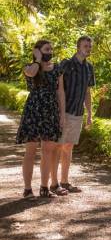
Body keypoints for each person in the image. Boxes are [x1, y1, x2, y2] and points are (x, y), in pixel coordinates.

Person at [15, 40, 67, 199]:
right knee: (30, 151)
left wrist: (62, 115)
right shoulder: (30, 67)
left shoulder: (57, 68)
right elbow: (31, 74)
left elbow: (60, 93)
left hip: (51, 112)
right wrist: (37, 60)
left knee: (48, 151)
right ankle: (27, 189)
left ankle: (45, 188)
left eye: (51, 48)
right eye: (46, 49)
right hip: (33, 111)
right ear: (37, 51)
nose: (50, 51)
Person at [53, 35, 94, 193]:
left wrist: (89, 113)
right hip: (63, 112)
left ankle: (64, 182)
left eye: (90, 46)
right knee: (58, 146)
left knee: (68, 147)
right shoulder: (66, 64)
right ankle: (53, 184)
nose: (88, 49)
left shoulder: (89, 68)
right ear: (78, 47)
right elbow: (58, 89)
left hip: (78, 112)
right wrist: (59, 113)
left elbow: (88, 92)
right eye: (85, 46)